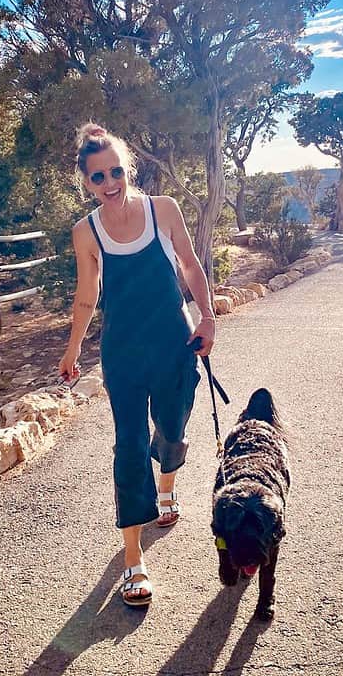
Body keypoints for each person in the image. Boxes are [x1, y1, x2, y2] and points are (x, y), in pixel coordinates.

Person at [58, 123, 216, 608]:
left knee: (171, 425)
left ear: (128, 168)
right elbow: (88, 296)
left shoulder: (162, 209)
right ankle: (133, 558)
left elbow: (189, 265)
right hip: (122, 350)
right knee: (128, 445)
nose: (109, 183)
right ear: (85, 182)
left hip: (173, 340)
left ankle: (166, 483)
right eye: (97, 176)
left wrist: (208, 317)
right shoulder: (86, 232)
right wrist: (73, 349)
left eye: (115, 172)